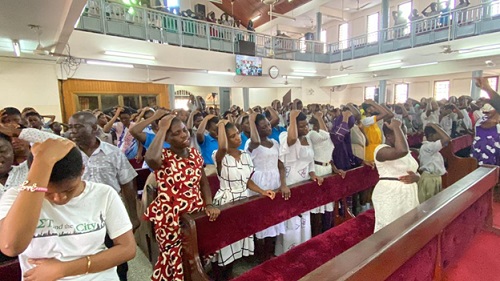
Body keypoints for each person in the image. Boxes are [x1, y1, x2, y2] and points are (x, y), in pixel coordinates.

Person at [0, 138, 136, 280]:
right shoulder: (16, 197)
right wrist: (41, 164)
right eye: (47, 192)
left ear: (82, 170)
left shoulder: (103, 193)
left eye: (69, 189)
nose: (59, 198)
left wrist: (64, 269)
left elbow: (127, 249)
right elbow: (11, 246)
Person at [145, 115, 220, 281]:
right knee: (174, 261)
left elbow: (204, 183)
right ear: (167, 138)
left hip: (194, 214)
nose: (184, 135)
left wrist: (209, 204)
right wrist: (162, 128)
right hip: (170, 218)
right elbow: (150, 160)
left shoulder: (194, 154)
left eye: (184, 130)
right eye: (176, 133)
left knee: (194, 258)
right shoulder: (163, 156)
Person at [68, 111, 139, 281]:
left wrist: (132, 216)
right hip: (78, 216)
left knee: (117, 257)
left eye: (78, 127)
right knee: (83, 260)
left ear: (94, 128)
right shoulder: (67, 154)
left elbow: (127, 184)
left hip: (110, 215)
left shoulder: (113, 153)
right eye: (70, 128)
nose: (73, 132)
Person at [211, 119, 274, 278]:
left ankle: (230, 274)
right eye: (232, 136)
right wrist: (220, 126)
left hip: (242, 200)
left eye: (237, 134)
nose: (238, 138)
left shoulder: (245, 155)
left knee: (237, 242)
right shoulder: (219, 155)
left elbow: (247, 181)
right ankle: (221, 276)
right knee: (225, 245)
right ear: (224, 139)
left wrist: (262, 191)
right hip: (227, 201)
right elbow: (223, 147)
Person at [275, 110, 323, 255]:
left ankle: (303, 247)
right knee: (292, 219)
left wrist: (313, 174)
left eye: (306, 125)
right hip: (290, 181)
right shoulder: (285, 136)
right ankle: (288, 251)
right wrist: (283, 184)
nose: (305, 129)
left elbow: (310, 161)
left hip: (304, 182)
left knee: (304, 216)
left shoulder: (308, 139)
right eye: (301, 126)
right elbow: (281, 163)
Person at [246, 113, 287, 262]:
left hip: (274, 181)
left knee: (274, 217)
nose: (268, 128)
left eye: (268, 124)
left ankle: (270, 252)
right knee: (260, 219)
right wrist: (251, 119)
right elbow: (255, 140)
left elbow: (281, 165)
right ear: (255, 128)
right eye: (263, 126)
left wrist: (283, 184)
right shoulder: (252, 143)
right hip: (259, 183)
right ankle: (259, 255)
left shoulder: (275, 143)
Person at [372, 119, 420, 232]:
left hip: (408, 194)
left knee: (408, 229)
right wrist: (396, 127)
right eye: (402, 134)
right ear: (389, 136)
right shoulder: (380, 150)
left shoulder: (406, 152)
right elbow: (402, 150)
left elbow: (413, 170)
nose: (405, 138)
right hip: (390, 194)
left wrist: (417, 177)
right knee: (390, 231)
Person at [308, 111, 345, 235]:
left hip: (327, 168)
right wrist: (319, 117)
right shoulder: (312, 135)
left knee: (328, 202)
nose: (327, 126)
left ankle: (327, 230)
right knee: (318, 206)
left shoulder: (327, 137)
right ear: (315, 126)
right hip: (318, 169)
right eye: (323, 123)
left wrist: (335, 169)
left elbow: (330, 157)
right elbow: (324, 134)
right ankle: (316, 233)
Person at [418, 123, 451, 203]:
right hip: (429, 178)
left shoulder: (432, 147)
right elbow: (446, 138)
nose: (440, 136)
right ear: (431, 135)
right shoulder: (427, 146)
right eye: (438, 133)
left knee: (435, 203)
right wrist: (434, 126)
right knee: (428, 203)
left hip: (435, 177)